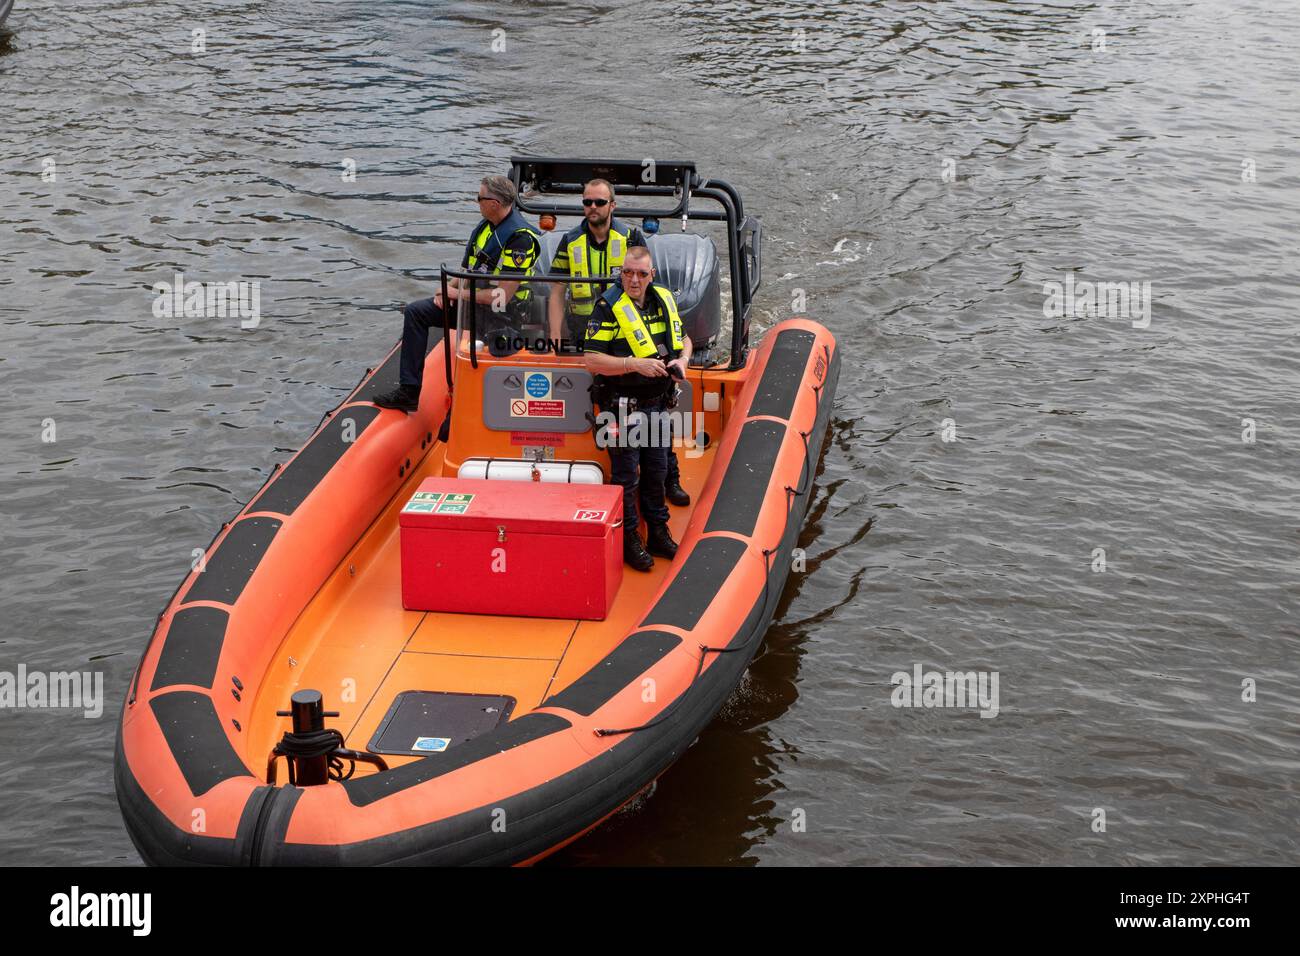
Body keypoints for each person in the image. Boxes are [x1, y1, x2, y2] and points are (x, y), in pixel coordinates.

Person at [549, 179, 690, 506]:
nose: (592, 208)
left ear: (612, 205)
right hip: (593, 336)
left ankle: (669, 475)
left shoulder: (631, 238)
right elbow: (556, 291)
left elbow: (647, 283)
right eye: (587, 203)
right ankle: (619, 474)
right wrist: (556, 334)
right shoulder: (569, 241)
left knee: (658, 406)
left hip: (631, 336)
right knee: (612, 407)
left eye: (599, 202)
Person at [373, 176, 540, 412]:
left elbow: (502, 296)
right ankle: (409, 392)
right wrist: (447, 290)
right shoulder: (485, 228)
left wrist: (455, 294)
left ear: (494, 203)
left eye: (479, 198)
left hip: (504, 315)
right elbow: (466, 270)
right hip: (474, 305)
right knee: (416, 312)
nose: (477, 202)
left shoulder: (520, 239)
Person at [583, 246, 691, 571]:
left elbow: (684, 339)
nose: (634, 279)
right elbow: (591, 360)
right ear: (621, 272)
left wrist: (683, 360)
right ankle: (629, 538)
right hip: (620, 408)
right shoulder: (606, 308)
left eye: (641, 274)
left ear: (652, 275)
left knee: (657, 472)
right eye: (628, 272)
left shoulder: (662, 301)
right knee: (626, 477)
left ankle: (657, 532)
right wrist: (634, 365)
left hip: (657, 404)